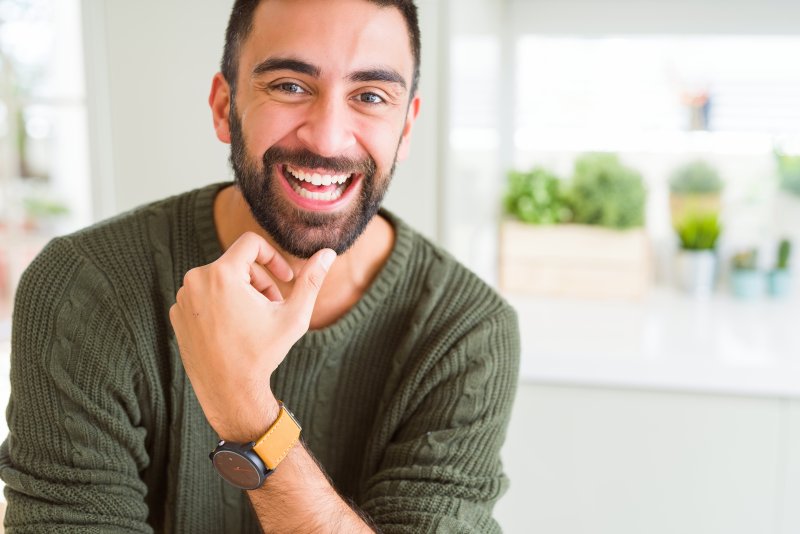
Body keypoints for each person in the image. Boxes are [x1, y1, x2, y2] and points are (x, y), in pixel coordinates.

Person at [0, 0, 520, 531]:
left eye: (370, 96)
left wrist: (247, 411)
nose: (327, 137)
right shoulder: (85, 287)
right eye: (290, 86)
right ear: (225, 107)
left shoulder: (467, 332)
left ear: (406, 127)